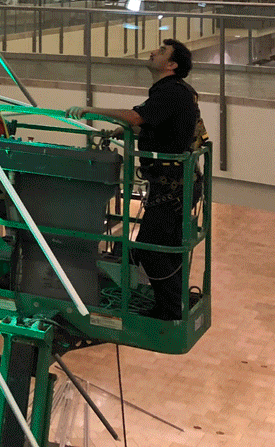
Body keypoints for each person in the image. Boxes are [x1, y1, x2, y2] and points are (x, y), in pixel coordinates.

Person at [69, 38, 200, 321]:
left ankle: (168, 310)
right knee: (160, 247)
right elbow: (167, 132)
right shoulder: (173, 92)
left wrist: (93, 111)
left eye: (162, 52)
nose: (153, 52)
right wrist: (130, 133)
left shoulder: (171, 92)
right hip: (172, 184)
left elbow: (137, 117)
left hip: (171, 185)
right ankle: (171, 304)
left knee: (151, 249)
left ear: (172, 65)